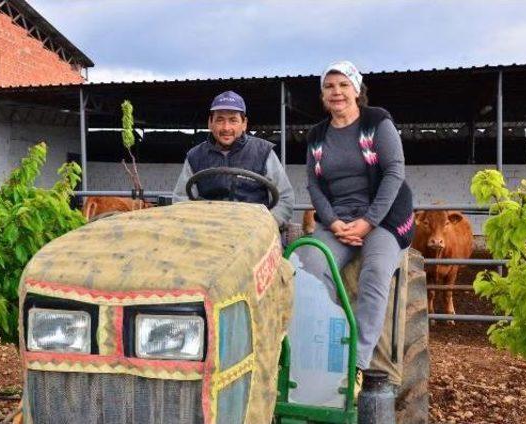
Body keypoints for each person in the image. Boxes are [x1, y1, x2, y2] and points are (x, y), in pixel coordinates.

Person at [305, 61, 415, 374]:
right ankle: (332, 338)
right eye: (329, 86)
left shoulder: (376, 121)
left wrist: (368, 221)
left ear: (356, 89)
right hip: (338, 220)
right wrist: (334, 222)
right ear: (323, 95)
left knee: (376, 271)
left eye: (343, 84)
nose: (336, 92)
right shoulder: (316, 135)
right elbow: (313, 184)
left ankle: (356, 361)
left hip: (382, 217)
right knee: (308, 266)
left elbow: (395, 171)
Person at [173, 90, 294, 228]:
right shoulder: (195, 156)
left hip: (254, 230)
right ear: (210, 123)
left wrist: (267, 225)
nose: (226, 127)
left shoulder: (263, 152)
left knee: (292, 250)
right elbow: (181, 200)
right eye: (220, 120)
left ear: (244, 124)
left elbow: (285, 198)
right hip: (208, 231)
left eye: (233, 120)